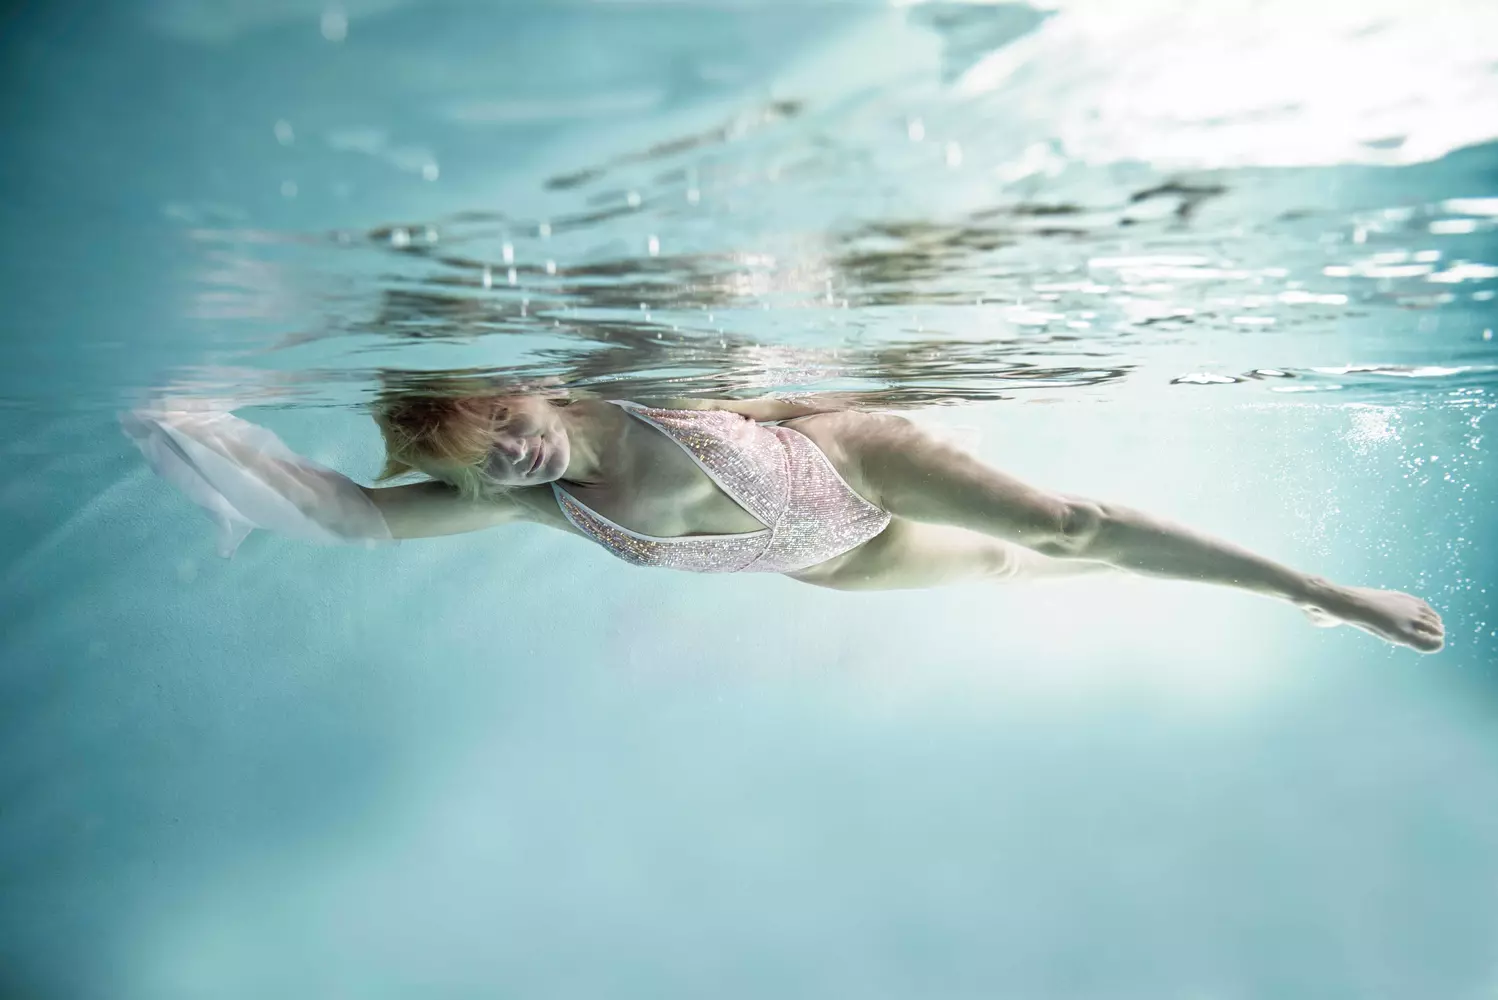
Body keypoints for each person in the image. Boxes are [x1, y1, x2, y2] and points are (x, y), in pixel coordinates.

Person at [123, 388, 1445, 653]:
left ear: (519, 385)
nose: (512, 460)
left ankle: (1302, 585)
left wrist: (1329, 598)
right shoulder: (540, 504)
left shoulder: (669, 406)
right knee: (1011, 572)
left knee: (1060, 528)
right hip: (841, 568)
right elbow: (352, 517)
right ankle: (1117, 577)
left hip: (841, 472)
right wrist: (198, 436)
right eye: (483, 465)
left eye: (494, 428)